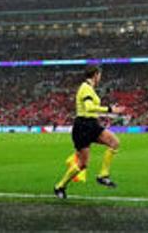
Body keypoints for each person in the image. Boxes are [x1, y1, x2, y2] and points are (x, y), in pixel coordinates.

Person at [53, 66, 126, 199]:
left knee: (114, 142)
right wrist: (110, 109)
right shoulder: (85, 88)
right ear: (96, 75)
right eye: (100, 75)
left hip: (92, 124)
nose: (100, 78)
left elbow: (91, 109)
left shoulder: (90, 89)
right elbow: (89, 107)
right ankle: (60, 186)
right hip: (82, 126)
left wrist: (108, 114)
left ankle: (103, 175)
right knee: (83, 164)